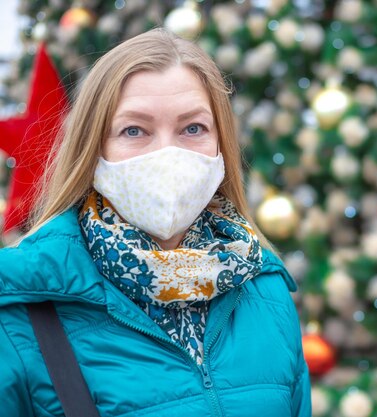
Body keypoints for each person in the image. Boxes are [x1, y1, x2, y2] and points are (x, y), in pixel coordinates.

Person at [0, 28, 311, 416]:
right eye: (134, 130)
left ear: (221, 146)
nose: (167, 153)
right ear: (94, 149)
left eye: (192, 128)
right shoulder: (21, 305)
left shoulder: (264, 288)